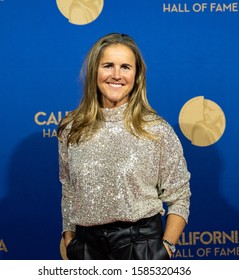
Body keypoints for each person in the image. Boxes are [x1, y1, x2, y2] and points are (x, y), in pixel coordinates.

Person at [57, 33, 191, 260]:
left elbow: (179, 195)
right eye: (108, 66)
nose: (116, 75)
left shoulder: (156, 129)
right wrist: (70, 240)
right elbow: (69, 189)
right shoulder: (72, 128)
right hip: (86, 247)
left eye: (126, 67)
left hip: (141, 248)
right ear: (94, 72)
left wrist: (166, 248)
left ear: (137, 76)